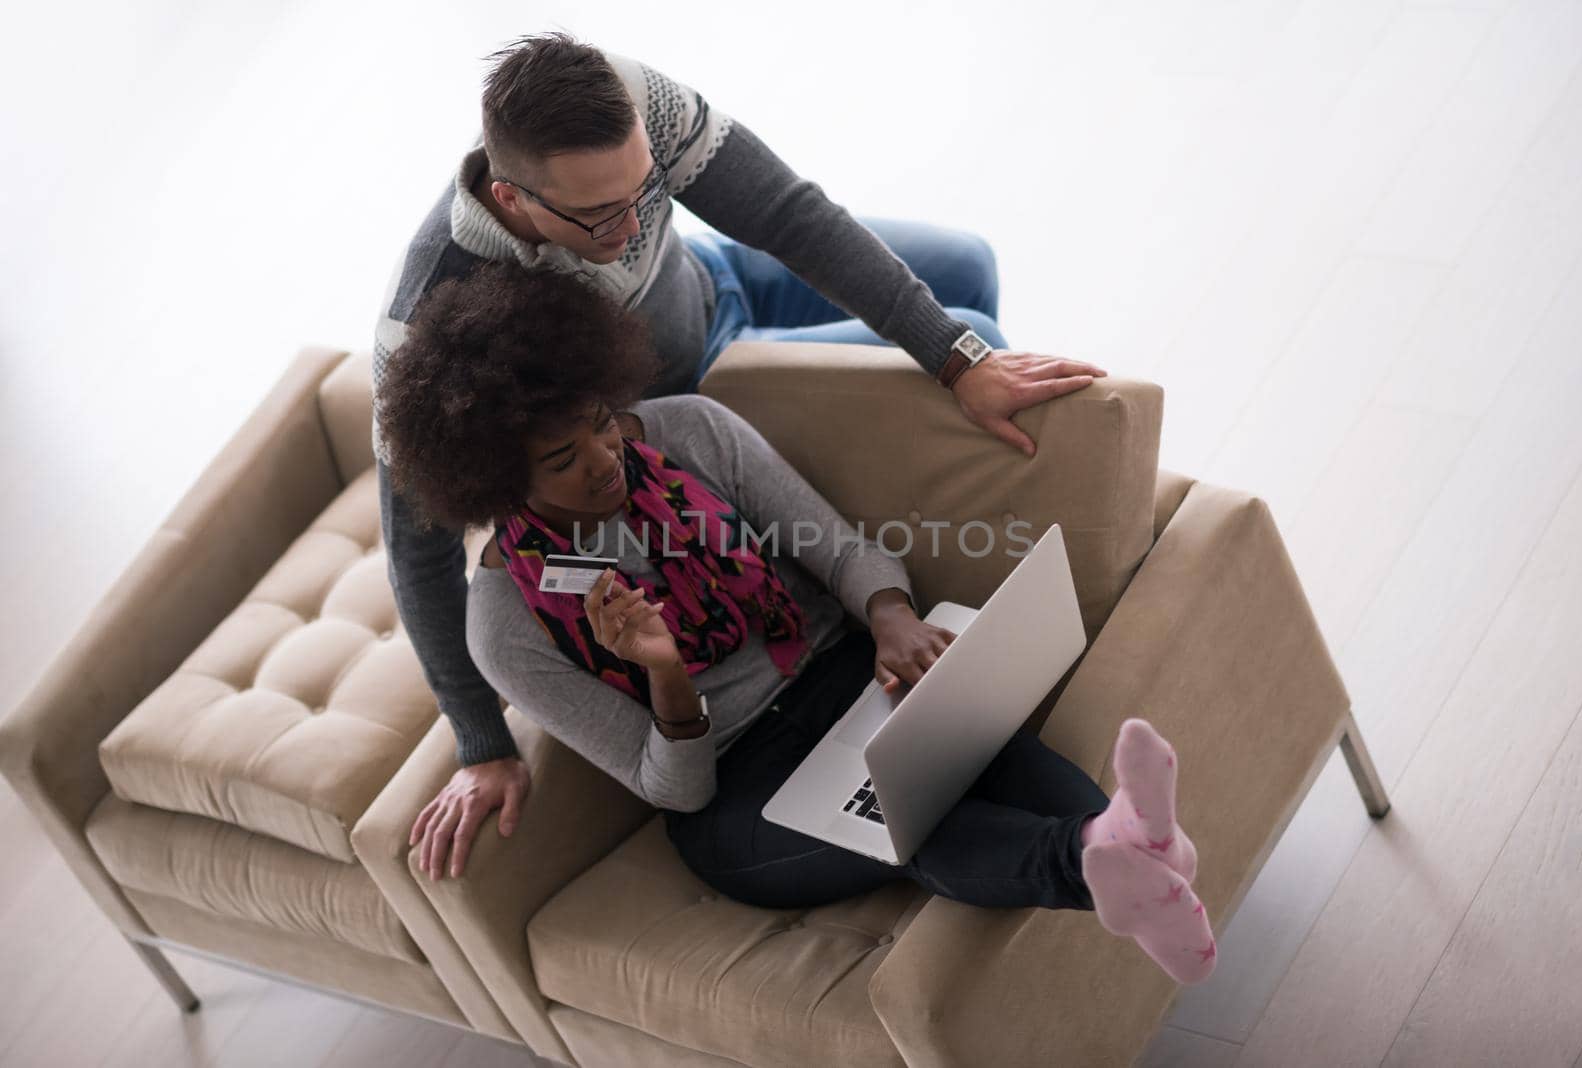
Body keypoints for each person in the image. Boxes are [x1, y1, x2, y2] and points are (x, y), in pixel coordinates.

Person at [377, 263, 1217, 984]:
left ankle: (1130, 854)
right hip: (740, 793)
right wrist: (665, 671)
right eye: (562, 461)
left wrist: (890, 617)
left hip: (841, 672)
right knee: (905, 819)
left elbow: (840, 551)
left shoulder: (689, 434)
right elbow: (676, 786)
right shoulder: (504, 626)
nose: (606, 461)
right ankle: (1115, 855)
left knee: (969, 750)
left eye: (600, 422)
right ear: (496, 480)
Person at [374, 33, 1111, 855]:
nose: (629, 222)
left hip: (712, 277)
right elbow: (415, 549)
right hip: (699, 377)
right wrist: (481, 740)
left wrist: (954, 360)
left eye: (642, 188)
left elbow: (789, 216)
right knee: (969, 331)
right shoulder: (429, 319)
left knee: (963, 279)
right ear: (513, 200)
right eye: (597, 215)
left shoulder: (622, 98)